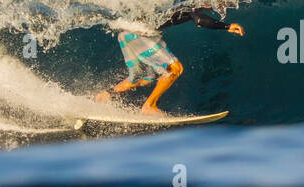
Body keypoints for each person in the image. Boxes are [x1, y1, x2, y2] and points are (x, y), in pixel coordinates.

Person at [94, 7, 244, 114]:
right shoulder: (191, 2)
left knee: (142, 77)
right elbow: (199, 20)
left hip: (126, 33)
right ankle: (149, 106)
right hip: (140, 34)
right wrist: (227, 26)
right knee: (175, 68)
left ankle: (106, 94)